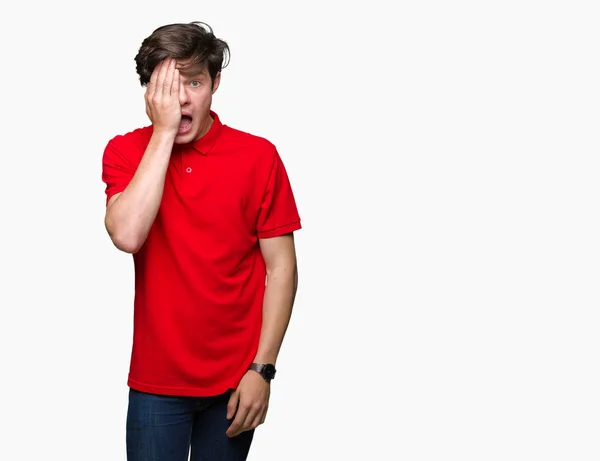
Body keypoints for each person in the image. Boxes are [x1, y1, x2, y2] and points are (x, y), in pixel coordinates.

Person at [101, 21, 301, 461]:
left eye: (194, 81)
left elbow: (281, 268)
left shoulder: (258, 156)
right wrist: (164, 132)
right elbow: (128, 234)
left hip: (236, 379)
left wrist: (262, 369)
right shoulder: (125, 151)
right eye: (169, 84)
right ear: (149, 91)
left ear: (216, 84)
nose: (184, 98)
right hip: (158, 383)